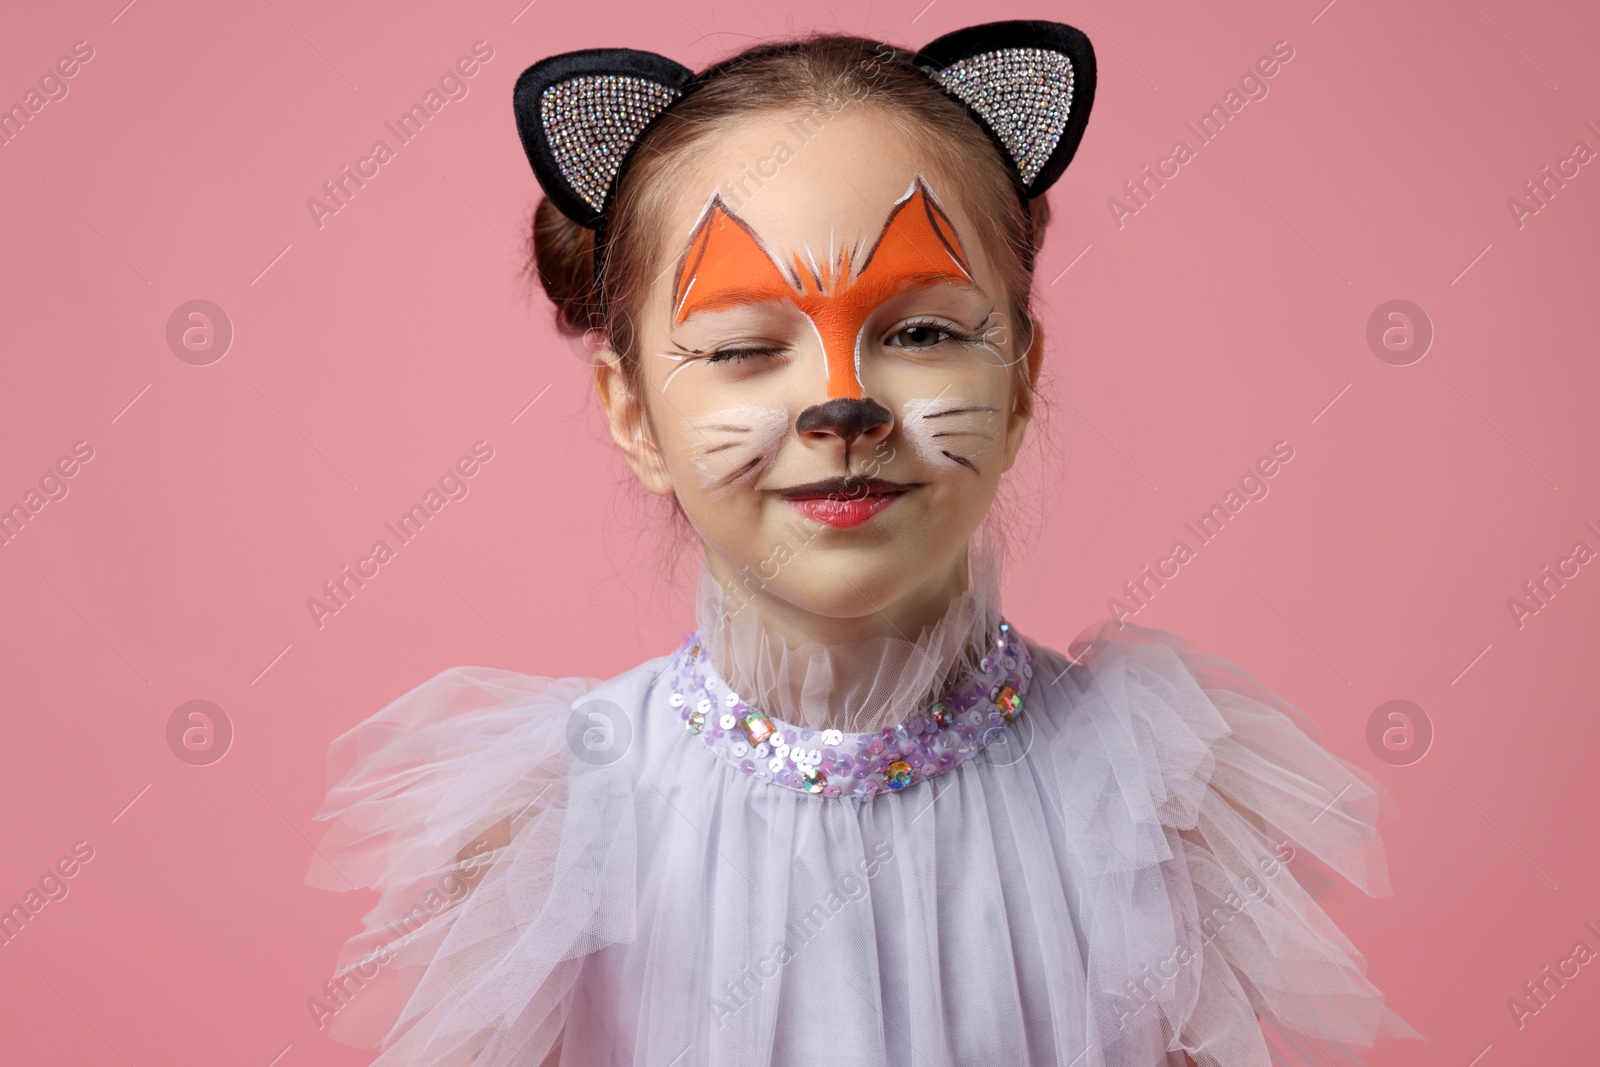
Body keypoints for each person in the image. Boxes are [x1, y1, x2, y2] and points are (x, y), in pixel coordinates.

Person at [304, 21, 1419, 1066]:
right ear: (633, 412)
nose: (842, 405)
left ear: (1020, 378)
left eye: (924, 331)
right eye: (743, 348)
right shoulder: (553, 824)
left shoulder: (1147, 810)